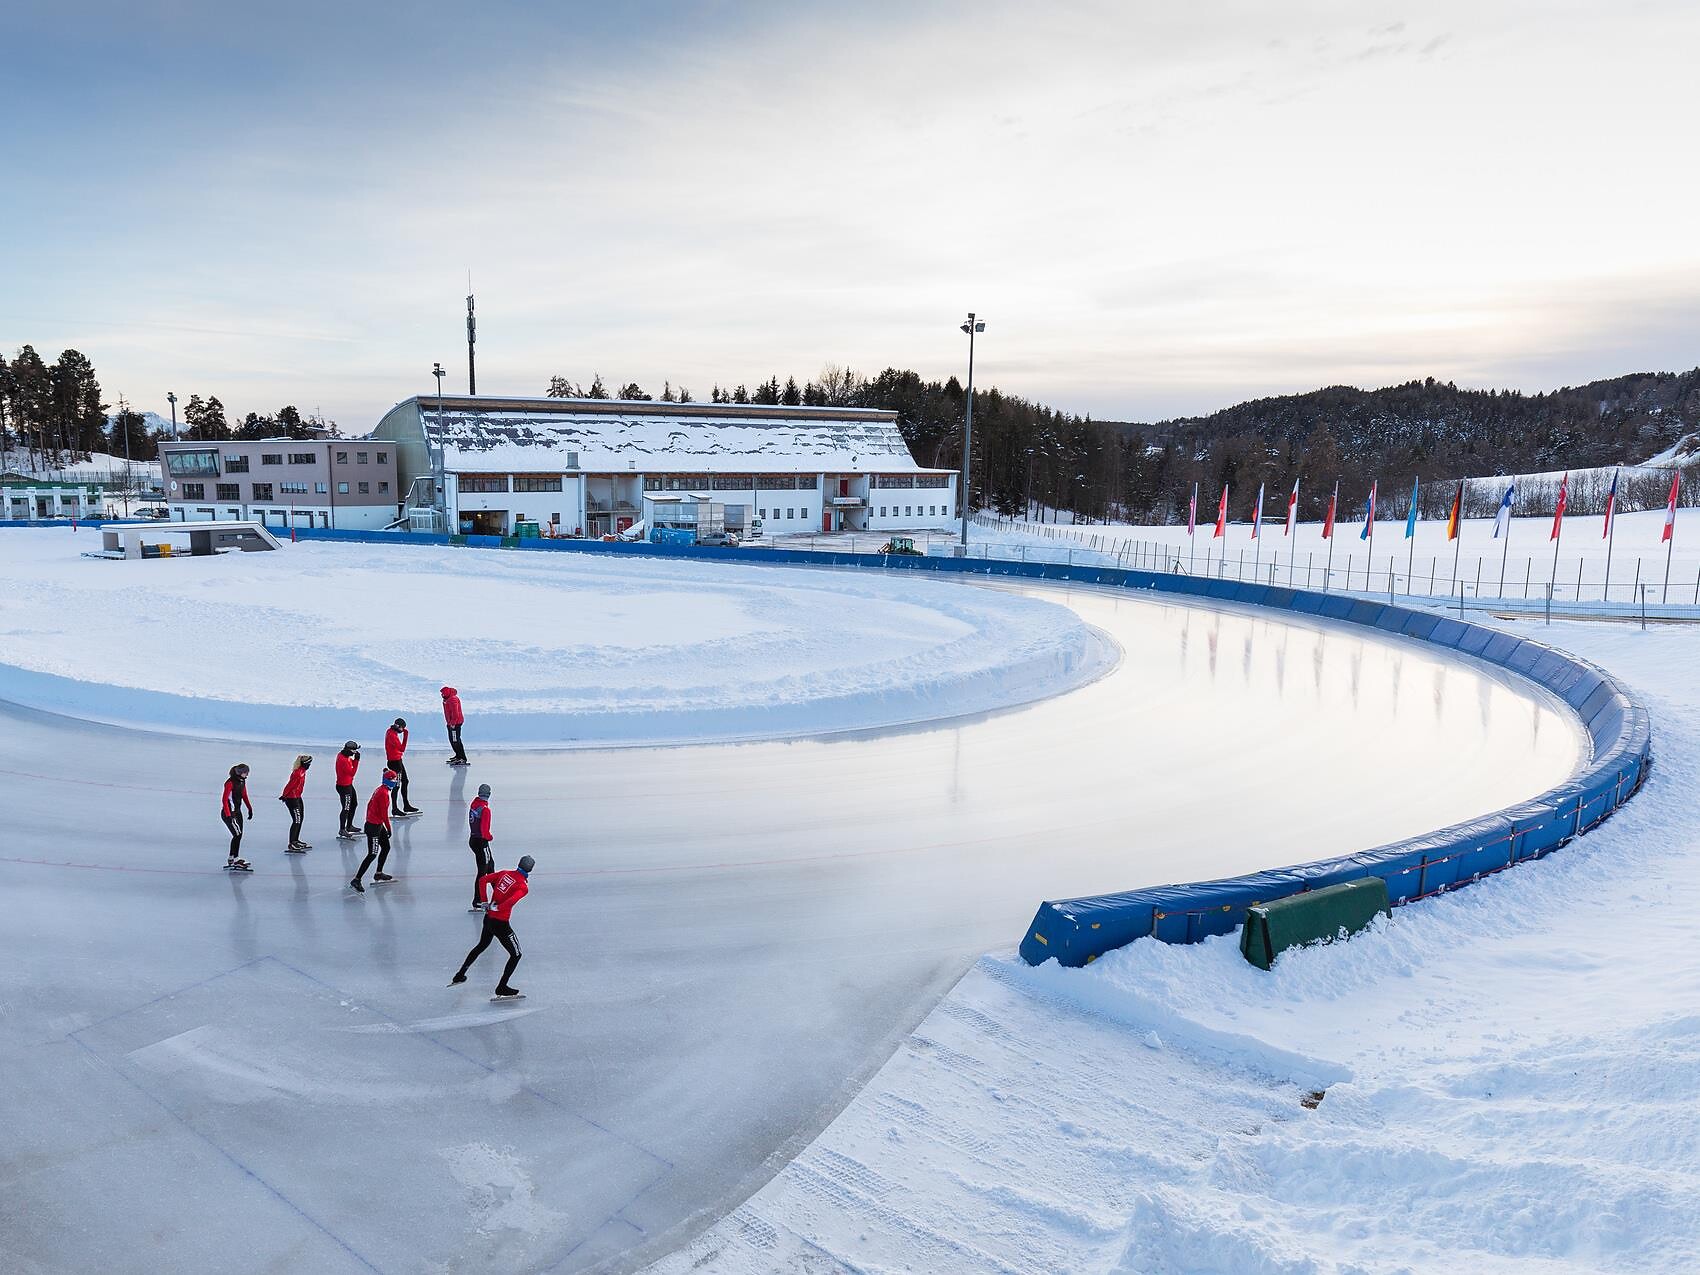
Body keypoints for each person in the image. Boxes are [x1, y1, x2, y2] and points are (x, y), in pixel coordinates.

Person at [450, 854, 533, 998]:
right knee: (516, 954)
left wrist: (484, 901)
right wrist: (497, 908)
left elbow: (483, 880)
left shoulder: (505, 873)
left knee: (481, 946)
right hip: (500, 923)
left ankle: (460, 974)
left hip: (488, 919)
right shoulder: (522, 886)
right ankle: (502, 987)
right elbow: (511, 902)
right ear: (530, 870)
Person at [349, 771, 398, 893]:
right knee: (372, 854)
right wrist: (389, 828)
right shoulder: (383, 794)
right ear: (388, 781)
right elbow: (384, 814)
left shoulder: (381, 789)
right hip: (374, 827)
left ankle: (378, 873)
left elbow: (370, 805)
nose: (395, 783)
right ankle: (356, 879)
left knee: (386, 847)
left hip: (376, 824)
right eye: (393, 780)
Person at [221, 763, 255, 872]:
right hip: (230, 813)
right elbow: (224, 800)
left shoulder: (242, 781)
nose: (248, 774)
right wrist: (228, 815)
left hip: (238, 813)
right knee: (237, 835)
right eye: (246, 772)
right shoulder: (230, 783)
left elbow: (244, 795)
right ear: (241, 773)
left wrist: (249, 808)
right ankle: (235, 859)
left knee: (238, 836)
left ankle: (232, 858)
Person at [385, 717, 421, 815]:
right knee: (396, 785)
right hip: (395, 763)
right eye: (402, 728)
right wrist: (406, 735)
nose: (402, 731)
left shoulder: (391, 731)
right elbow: (402, 748)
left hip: (398, 761)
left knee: (405, 781)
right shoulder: (392, 735)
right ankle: (395, 808)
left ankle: (406, 805)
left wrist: (402, 731)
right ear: (399, 727)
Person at [467, 783, 494, 911]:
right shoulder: (485, 810)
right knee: (484, 871)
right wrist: (490, 837)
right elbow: (484, 831)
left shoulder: (474, 804)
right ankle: (478, 900)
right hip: (481, 842)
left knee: (490, 866)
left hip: (473, 839)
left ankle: (494, 894)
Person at [279, 754, 312, 852]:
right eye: (309, 763)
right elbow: (290, 785)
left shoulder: (303, 771)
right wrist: (284, 795)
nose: (310, 765)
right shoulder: (298, 773)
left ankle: (296, 840)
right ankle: (292, 843)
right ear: (305, 763)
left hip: (297, 797)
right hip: (292, 798)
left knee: (300, 819)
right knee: (296, 820)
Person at [334, 741, 361, 840]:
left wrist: (354, 760)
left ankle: (349, 826)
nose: (355, 752)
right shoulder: (343, 760)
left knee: (354, 804)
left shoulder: (343, 755)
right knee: (346, 808)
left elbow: (350, 770)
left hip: (348, 784)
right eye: (354, 750)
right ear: (349, 750)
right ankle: (342, 829)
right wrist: (357, 760)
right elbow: (352, 772)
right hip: (344, 787)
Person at [442, 686, 469, 766]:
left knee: (455, 740)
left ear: (447, 693)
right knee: (452, 740)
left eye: (443, 693)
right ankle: (458, 756)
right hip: (451, 723)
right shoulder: (446, 700)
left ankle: (462, 758)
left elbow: (455, 713)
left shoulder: (453, 699)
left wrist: (453, 723)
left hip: (455, 724)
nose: (442, 695)